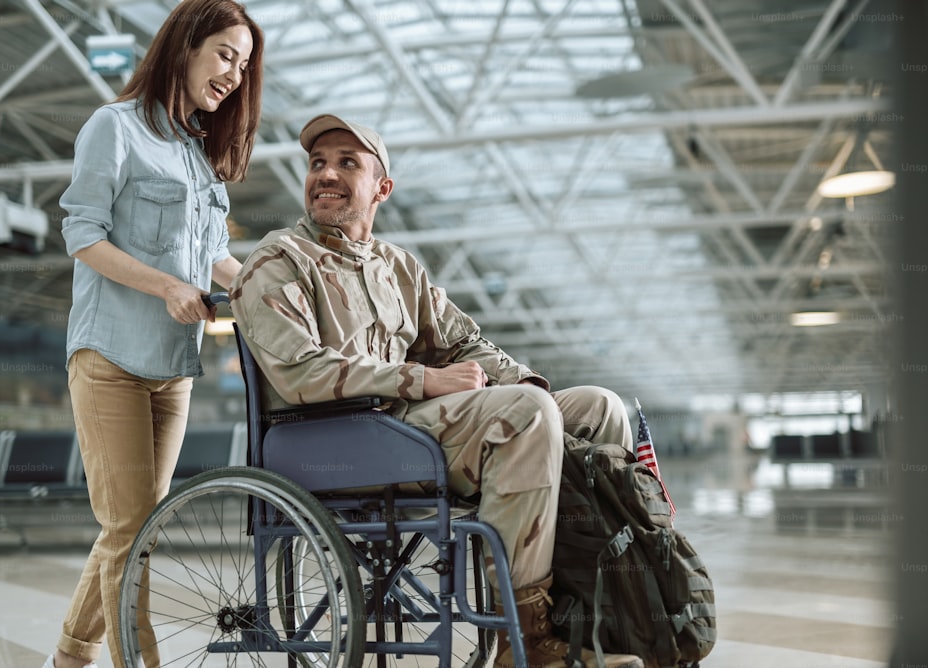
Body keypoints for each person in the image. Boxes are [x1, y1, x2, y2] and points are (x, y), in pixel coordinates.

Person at [229, 114, 644, 668]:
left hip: (404, 431)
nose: (326, 174)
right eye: (317, 163)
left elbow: (462, 342)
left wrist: (526, 384)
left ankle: (607, 622)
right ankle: (529, 641)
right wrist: (422, 380)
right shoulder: (278, 261)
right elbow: (302, 372)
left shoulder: (398, 267)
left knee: (597, 408)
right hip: (331, 439)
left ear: (381, 188)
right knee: (524, 415)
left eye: (346, 163)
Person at [45, 1, 263, 667]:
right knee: (131, 529)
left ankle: (68, 656)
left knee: (131, 530)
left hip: (174, 369)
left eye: (244, 64)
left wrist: (270, 283)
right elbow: (82, 233)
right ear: (185, 44)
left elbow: (211, 261)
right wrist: (167, 286)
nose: (233, 73)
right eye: (225, 53)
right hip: (109, 356)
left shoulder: (199, 158)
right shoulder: (113, 129)